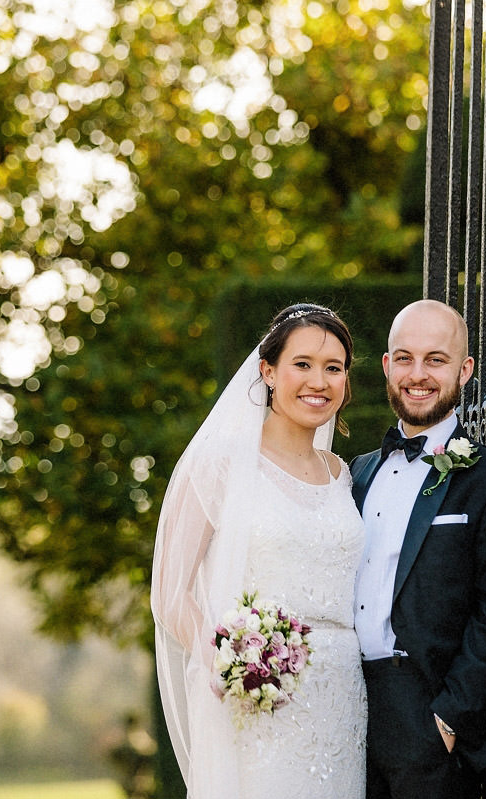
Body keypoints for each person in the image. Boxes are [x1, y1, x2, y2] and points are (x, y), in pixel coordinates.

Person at [151, 303, 368, 799]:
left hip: (342, 699)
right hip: (260, 699)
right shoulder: (219, 466)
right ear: (268, 371)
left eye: (334, 368)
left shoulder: (342, 475)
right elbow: (171, 591)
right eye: (303, 364)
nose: (319, 380)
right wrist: (232, 662)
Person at [350, 299, 486, 798]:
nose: (419, 374)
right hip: (344, 706)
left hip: (428, 710)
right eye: (405, 358)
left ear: (465, 369)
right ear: (387, 366)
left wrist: (448, 720)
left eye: (436, 359)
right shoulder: (356, 473)